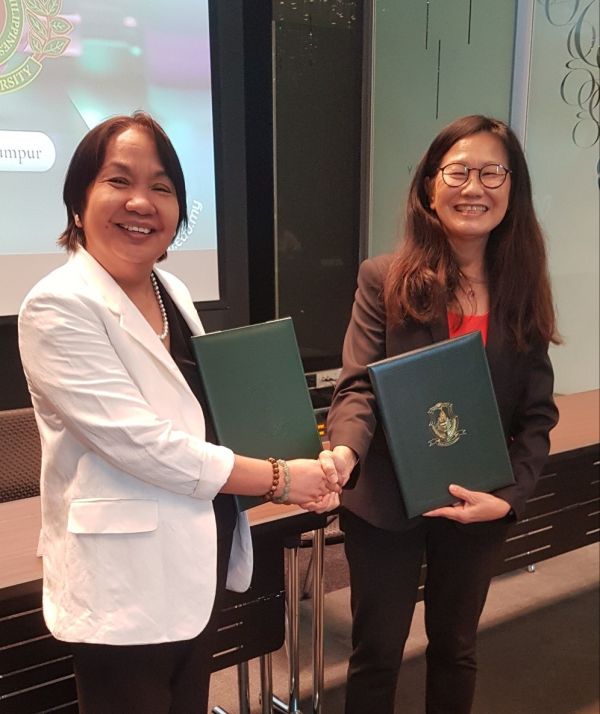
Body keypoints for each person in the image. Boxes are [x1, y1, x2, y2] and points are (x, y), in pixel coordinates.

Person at [18, 111, 340, 713]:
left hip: (198, 558)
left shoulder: (173, 290)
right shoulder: (57, 306)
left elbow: (207, 414)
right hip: (124, 582)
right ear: (78, 200)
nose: (141, 201)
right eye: (119, 180)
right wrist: (279, 478)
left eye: (161, 187)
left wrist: (304, 456)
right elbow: (142, 444)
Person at [321, 115, 560, 713]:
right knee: (377, 651)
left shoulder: (522, 289)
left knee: (455, 646)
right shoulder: (384, 279)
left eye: (491, 172)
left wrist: (508, 499)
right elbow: (358, 387)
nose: (472, 187)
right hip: (384, 500)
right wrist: (345, 450)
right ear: (430, 185)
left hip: (476, 501)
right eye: (457, 171)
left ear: (512, 189)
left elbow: (536, 416)